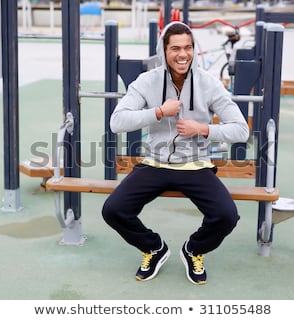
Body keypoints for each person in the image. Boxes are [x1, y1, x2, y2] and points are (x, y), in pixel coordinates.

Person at [102, 22, 249, 285]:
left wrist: (203, 129)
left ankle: (194, 249)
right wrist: (158, 112)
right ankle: (154, 247)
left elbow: (241, 130)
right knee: (113, 210)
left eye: (188, 47)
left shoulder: (208, 83)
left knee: (227, 216)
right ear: (164, 50)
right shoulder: (147, 81)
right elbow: (117, 122)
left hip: (195, 165)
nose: (183, 54)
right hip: (155, 163)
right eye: (176, 48)